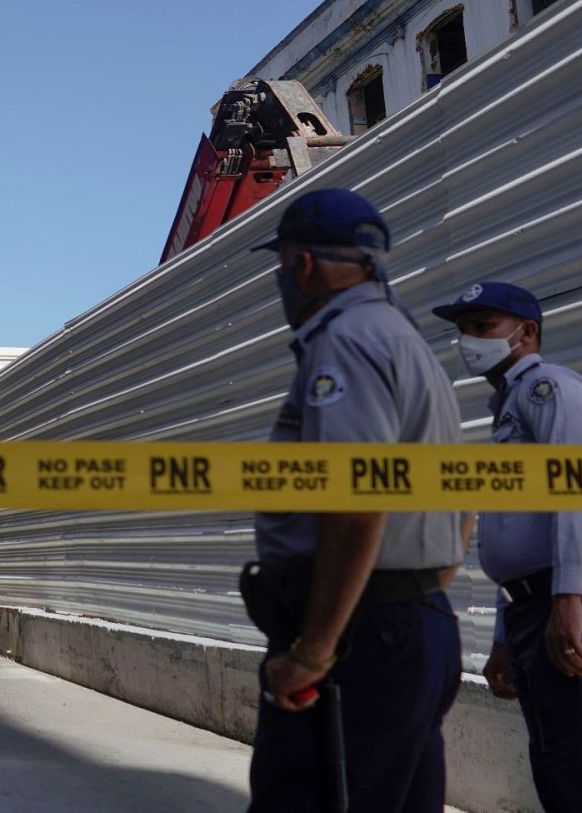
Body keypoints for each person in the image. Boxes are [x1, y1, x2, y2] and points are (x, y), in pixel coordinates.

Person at [242, 188, 467, 813]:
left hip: (360, 638)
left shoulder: (343, 342)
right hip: (416, 620)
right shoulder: (407, 342)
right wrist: (422, 582)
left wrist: (314, 650)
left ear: (302, 264)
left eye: (283, 262)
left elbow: (355, 502)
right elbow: (460, 496)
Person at [432, 281, 582, 812]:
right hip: (537, 605)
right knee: (557, 775)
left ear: (526, 333)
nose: (468, 341)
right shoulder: (509, 412)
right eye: (463, 330)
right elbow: (516, 535)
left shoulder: (550, 389)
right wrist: (505, 634)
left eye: (483, 327)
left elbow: (581, 488)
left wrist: (569, 598)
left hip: (574, 600)